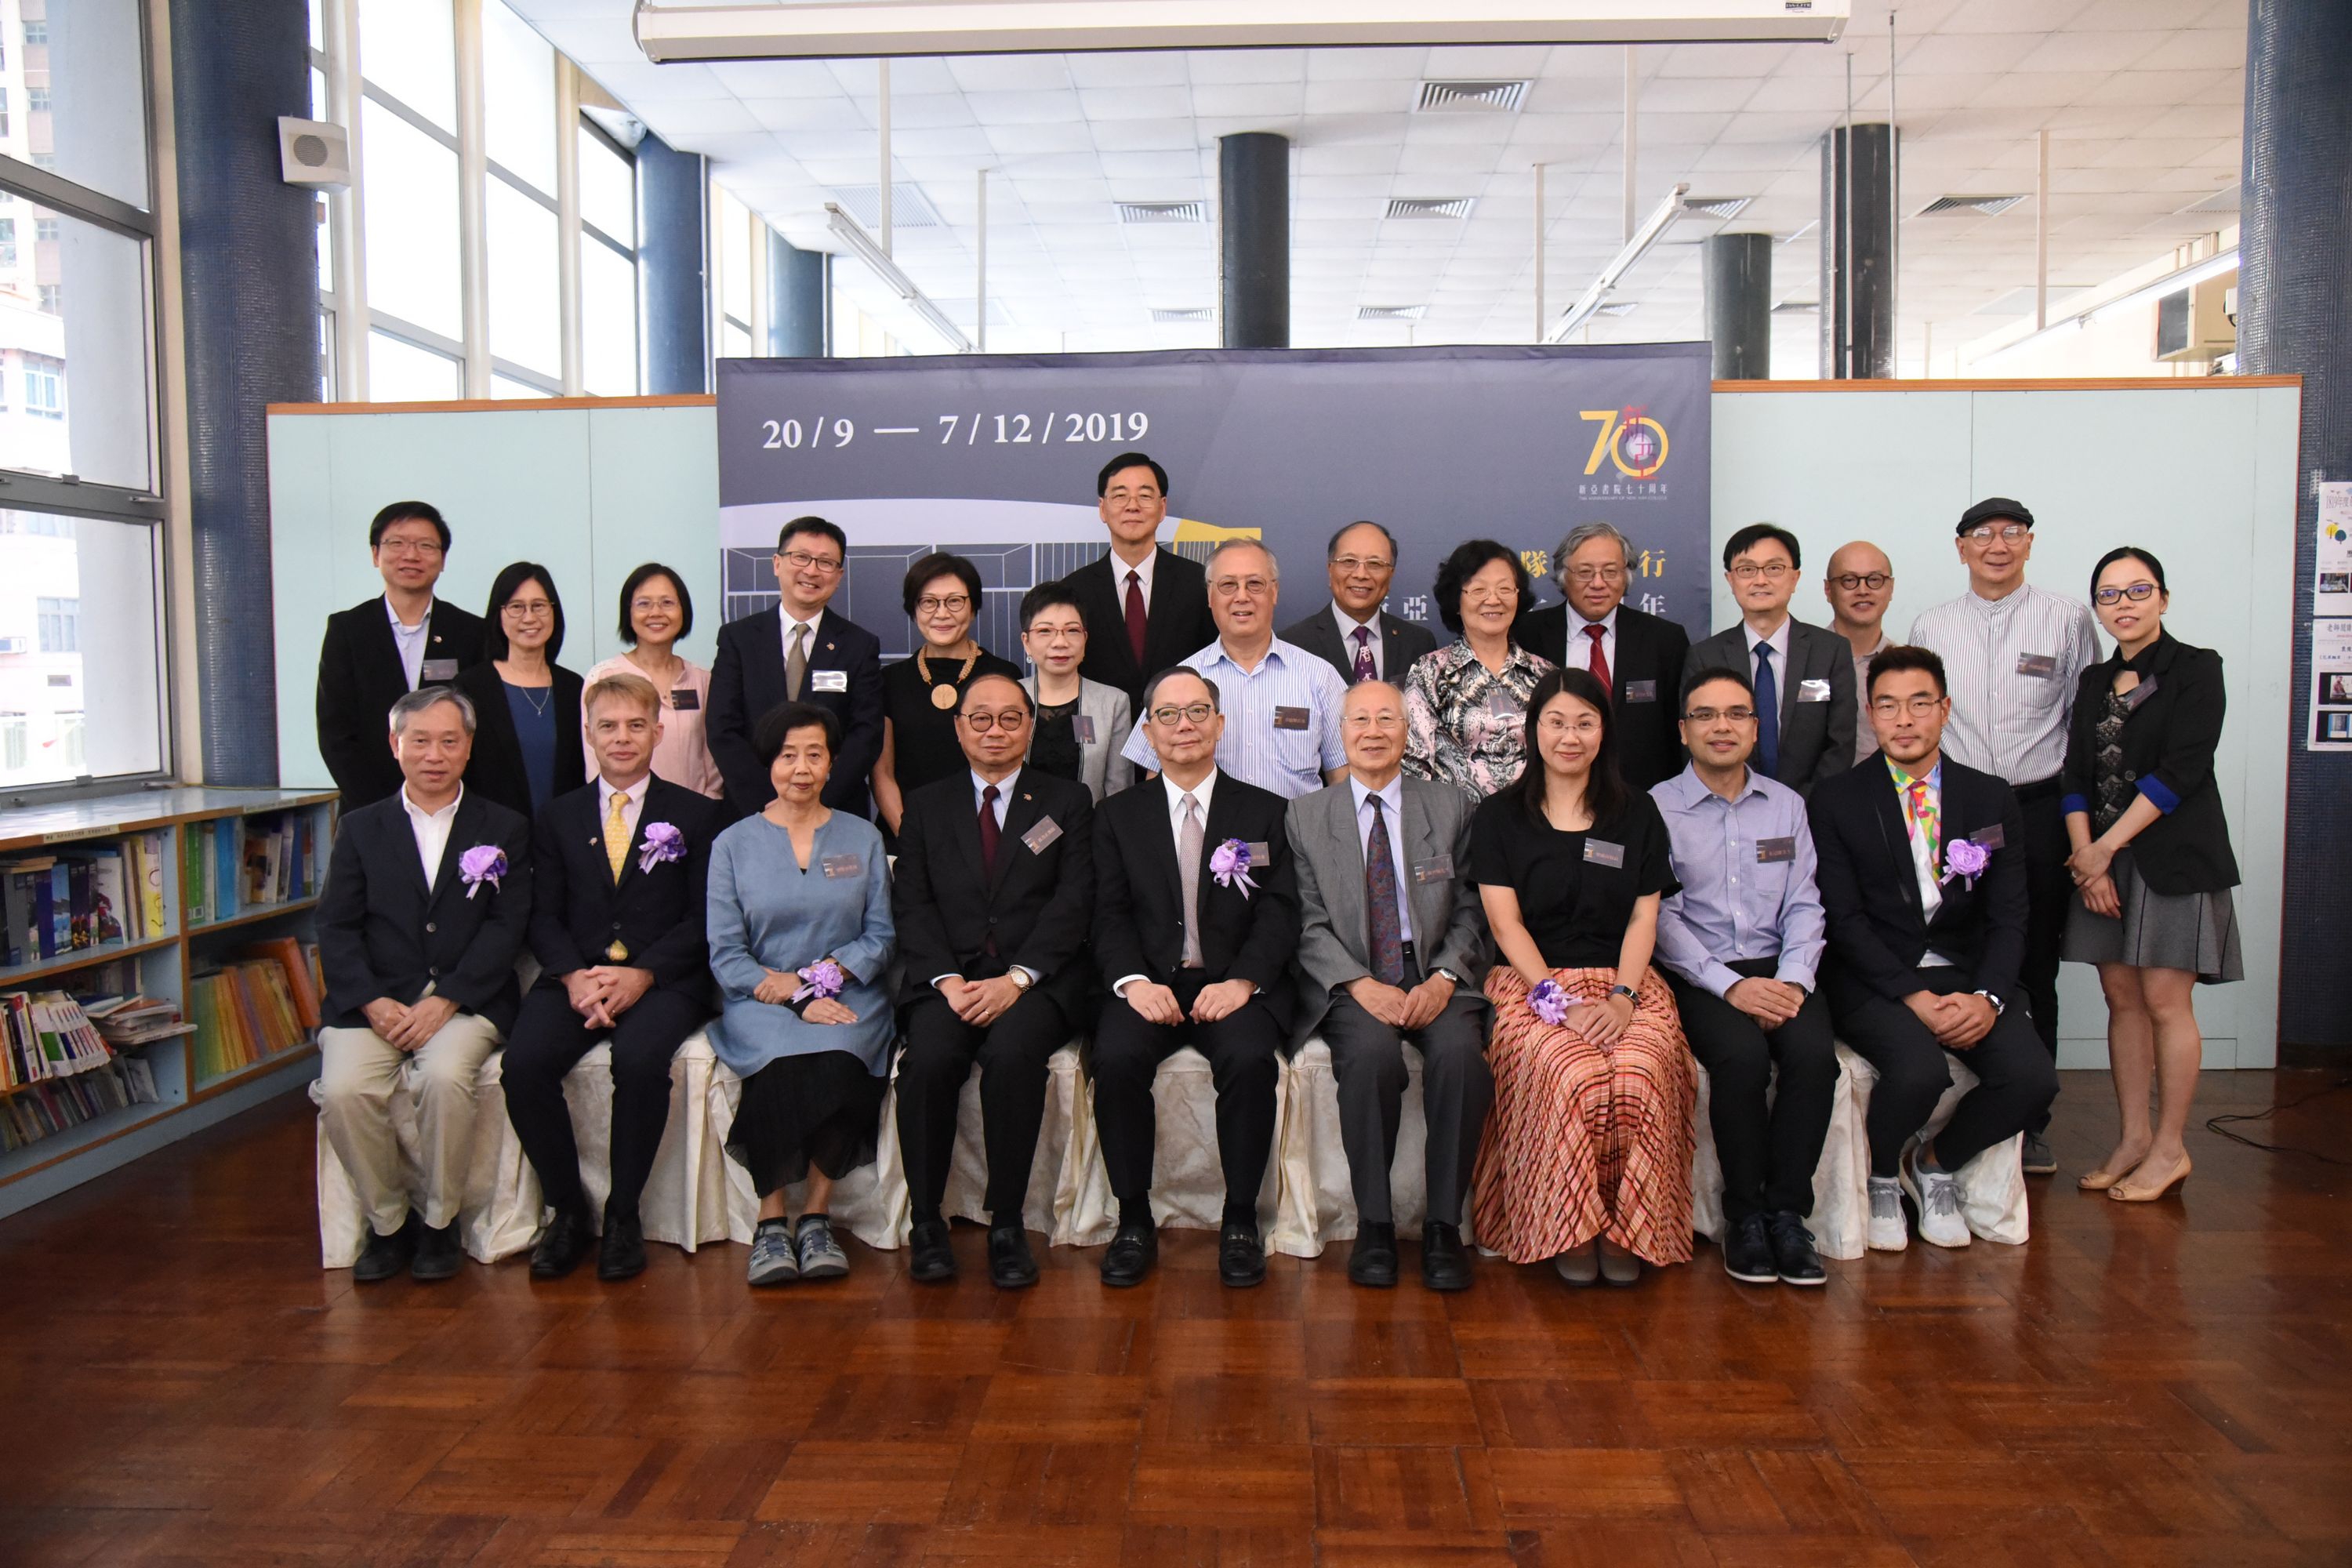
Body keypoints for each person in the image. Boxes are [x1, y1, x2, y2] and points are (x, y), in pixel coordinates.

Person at [1808, 645, 2059, 1251]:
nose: (1904, 720)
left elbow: (2009, 914)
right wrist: (1911, 995)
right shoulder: (1837, 798)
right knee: (1918, 1072)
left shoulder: (1990, 798)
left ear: (1945, 709)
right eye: (1888, 706)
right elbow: (1843, 919)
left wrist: (1991, 996)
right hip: (1876, 978)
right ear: (1870, 714)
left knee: (2033, 1080)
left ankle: (1937, 1162)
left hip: (1967, 972)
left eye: (1920, 703)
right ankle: (1881, 1171)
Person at [1469, 667, 1692, 1288]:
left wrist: (1624, 998)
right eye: (1557, 722)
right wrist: (1552, 999)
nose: (1571, 736)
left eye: (1585, 723)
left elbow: (1645, 913)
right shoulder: (1498, 817)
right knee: (1567, 1071)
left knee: (1642, 1068)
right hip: (1530, 982)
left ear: (1604, 732)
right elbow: (1506, 925)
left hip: (1625, 979)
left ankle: (1632, 1231)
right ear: (1534, 730)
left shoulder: (1636, 812)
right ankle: (1567, 1225)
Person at [504, 673, 724, 1282]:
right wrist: (575, 977)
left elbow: (705, 916)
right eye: (608, 727)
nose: (622, 738)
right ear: (589, 735)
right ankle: (567, 1210)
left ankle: (623, 1214)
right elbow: (540, 913)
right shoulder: (556, 817)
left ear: (658, 732)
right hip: (576, 974)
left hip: (665, 978)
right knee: (522, 1064)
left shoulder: (699, 815)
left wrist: (645, 975)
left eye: (635, 726)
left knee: (639, 1058)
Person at [1907, 498, 2100, 1177]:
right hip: (1956, 810)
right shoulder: (1933, 625)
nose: (1997, 545)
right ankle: (1940, 1101)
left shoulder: (2069, 619)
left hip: (2039, 808)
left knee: (2032, 960)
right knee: (1953, 942)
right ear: (1960, 548)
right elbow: (1919, 721)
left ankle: (2028, 1121)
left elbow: (2087, 726)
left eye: (2010, 533)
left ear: (2029, 543)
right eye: (1982, 535)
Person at [315, 687, 533, 1283]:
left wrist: (448, 998)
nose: (433, 754)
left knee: (442, 1078)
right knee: (342, 1089)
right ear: (395, 745)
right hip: (373, 1002)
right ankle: (388, 1225)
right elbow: (336, 925)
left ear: (467, 749)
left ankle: (440, 1223)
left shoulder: (504, 827)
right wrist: (369, 1000)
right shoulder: (361, 827)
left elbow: (506, 927)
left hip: (465, 1001)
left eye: (448, 741)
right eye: (419, 741)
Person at [1092, 669, 1299, 1289]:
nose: (1185, 725)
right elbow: (1107, 912)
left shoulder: (1265, 811)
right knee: (1117, 1058)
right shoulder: (1115, 816)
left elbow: (1281, 910)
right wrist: (1132, 981)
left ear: (1221, 724)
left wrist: (1243, 983)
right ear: (1148, 732)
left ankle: (1239, 1220)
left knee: (1249, 1060)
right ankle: (1133, 1219)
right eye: (1169, 714)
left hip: (1232, 982)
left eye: (1198, 711)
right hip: (1150, 982)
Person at [891, 674, 1096, 1289]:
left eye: (1011, 719)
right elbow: (913, 904)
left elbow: (1074, 901)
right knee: (926, 1060)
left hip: (1035, 980)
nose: (995, 731)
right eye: (981, 719)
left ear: (1030, 728)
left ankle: (1007, 1222)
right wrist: (947, 980)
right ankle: (926, 1221)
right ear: (959, 729)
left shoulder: (1067, 800)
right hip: (946, 979)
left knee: (1012, 1057)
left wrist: (1018, 978)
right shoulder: (926, 805)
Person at [1287, 681, 1490, 1292]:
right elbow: (1306, 920)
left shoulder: (1451, 805)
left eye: (1386, 720)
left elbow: (1472, 906)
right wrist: (1356, 982)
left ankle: (1441, 1226)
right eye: (1359, 721)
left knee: (1460, 1059)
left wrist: (1446, 975)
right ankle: (1375, 1222)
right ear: (1340, 733)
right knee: (1372, 1059)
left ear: (1408, 732)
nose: (1372, 732)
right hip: (1354, 974)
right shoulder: (1305, 814)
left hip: (1434, 971)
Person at [2060, 548, 2241, 1203]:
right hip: (2100, 861)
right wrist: (2087, 860)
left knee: (2167, 1003)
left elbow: (2181, 773)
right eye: (2109, 595)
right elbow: (2075, 776)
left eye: (2138, 590)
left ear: (2164, 598)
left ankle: (2170, 1149)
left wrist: (2103, 848)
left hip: (2169, 859)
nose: (2124, 604)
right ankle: (2134, 1137)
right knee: (2123, 1001)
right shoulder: (2090, 682)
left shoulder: (2197, 669)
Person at [1651, 666, 1834, 1288]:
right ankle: (1746, 1217)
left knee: (1814, 1058)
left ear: (1756, 729)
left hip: (1781, 968)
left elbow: (1805, 904)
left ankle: (1788, 1214)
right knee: (1742, 1059)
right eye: (1706, 715)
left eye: (1736, 714)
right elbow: (1661, 918)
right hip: (1698, 974)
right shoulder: (1657, 808)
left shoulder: (1786, 805)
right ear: (1683, 730)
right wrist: (1729, 986)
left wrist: (1793, 981)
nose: (1721, 727)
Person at [707, 703, 897, 1287]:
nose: (802, 768)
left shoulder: (860, 836)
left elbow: (880, 935)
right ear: (769, 764)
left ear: (834, 762)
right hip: (760, 998)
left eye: (815, 754)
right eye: (788, 755)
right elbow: (726, 953)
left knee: (843, 1060)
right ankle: (771, 1223)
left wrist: (819, 983)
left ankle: (815, 1216)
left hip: (848, 994)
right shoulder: (733, 844)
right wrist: (792, 996)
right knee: (779, 1064)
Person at [1119, 539, 1348, 799]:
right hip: (1206, 837)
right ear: (1210, 595)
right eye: (1228, 585)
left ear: (1274, 592)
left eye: (1255, 584)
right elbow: (1155, 779)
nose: (1242, 596)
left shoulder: (1319, 676)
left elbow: (1342, 779)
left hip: (1295, 836)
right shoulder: (1179, 680)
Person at [708, 517, 885, 822]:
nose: (812, 570)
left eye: (825, 562)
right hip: (753, 811)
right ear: (777, 563)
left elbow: (866, 734)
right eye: (801, 557)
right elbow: (722, 728)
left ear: (839, 574)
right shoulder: (738, 638)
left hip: (834, 810)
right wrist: (768, 802)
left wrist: (817, 802)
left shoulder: (860, 645)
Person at [314, 501, 486, 809]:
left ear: (443, 558)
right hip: (370, 809)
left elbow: (479, 729)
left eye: (425, 545)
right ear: (375, 554)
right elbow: (336, 734)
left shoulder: (471, 632)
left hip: (454, 808)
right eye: (397, 543)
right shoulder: (348, 630)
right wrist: (383, 809)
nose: (411, 555)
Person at [1683, 524, 1856, 796]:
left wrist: (1800, 805)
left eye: (1774, 568)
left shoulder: (1831, 650)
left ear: (1795, 578)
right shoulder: (1705, 656)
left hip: (1813, 808)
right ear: (1731, 580)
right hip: (1729, 807)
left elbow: (1841, 742)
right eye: (1747, 569)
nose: (1760, 580)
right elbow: (1695, 742)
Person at [1519, 521, 1690, 792]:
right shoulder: (1526, 635)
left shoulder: (1665, 640)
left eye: (1611, 572)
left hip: (1641, 796)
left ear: (1627, 576)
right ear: (1564, 576)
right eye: (1585, 572)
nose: (1598, 583)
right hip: (1548, 795)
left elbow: (1678, 733)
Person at [873, 553, 1023, 837]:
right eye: (928, 602)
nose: (942, 613)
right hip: (906, 836)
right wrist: (911, 839)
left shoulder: (1004, 676)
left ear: (973, 607)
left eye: (955, 601)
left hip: (987, 836)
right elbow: (883, 775)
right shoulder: (889, 681)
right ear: (913, 609)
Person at [1402, 539, 1555, 797]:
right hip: (1456, 828)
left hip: (1534, 824)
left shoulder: (1545, 674)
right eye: (1478, 590)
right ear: (1456, 601)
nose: (1493, 600)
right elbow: (1414, 765)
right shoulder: (1430, 671)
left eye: (1505, 589)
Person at [1065, 452, 1217, 707]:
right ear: (1103, 508)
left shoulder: (1199, 584)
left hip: (1181, 733)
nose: (1132, 506)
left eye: (1145, 496)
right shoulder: (1073, 591)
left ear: (1163, 508)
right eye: (1120, 496)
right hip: (1101, 737)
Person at [454, 563, 586, 820]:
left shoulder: (573, 687)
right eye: (516, 607)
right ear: (498, 614)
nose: (529, 618)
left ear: (553, 611)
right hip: (492, 838)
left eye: (539, 606)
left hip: (562, 837)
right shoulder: (470, 686)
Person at [582, 563, 724, 800]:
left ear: (683, 611)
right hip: (625, 817)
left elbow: (712, 762)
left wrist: (706, 808)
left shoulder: (702, 679)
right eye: (644, 604)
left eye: (667, 603)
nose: (656, 613)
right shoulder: (604, 677)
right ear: (628, 611)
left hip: (695, 816)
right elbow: (594, 760)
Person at [1016, 580, 1134, 801]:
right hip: (1016, 829)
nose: (1060, 642)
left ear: (1085, 638)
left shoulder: (1112, 702)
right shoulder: (1009, 698)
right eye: (1045, 631)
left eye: (1072, 630)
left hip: (1088, 831)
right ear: (1027, 642)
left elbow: (1119, 789)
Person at [1279, 521, 1438, 686]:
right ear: (1330, 570)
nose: (1361, 574)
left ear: (1390, 575)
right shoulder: (1292, 643)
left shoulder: (1418, 643)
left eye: (1375, 564)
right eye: (1349, 561)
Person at [1824, 541, 1896, 767]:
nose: (1862, 590)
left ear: (1890, 588)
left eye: (1874, 580)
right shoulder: (1803, 661)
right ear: (1828, 590)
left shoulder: (1902, 667)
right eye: (1849, 580)